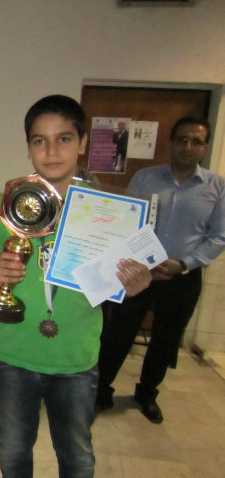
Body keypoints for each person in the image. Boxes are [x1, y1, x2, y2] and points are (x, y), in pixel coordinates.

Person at [0, 95, 152, 477]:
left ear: (83, 142)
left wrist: (132, 284)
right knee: (14, 452)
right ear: (28, 147)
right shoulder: (8, 205)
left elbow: (120, 280)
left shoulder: (106, 213)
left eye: (64, 139)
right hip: (14, 354)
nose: (51, 151)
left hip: (76, 358)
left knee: (77, 457)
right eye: (40, 141)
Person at [96, 116, 225, 424]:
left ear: (205, 147)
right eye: (182, 139)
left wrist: (184, 263)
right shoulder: (145, 178)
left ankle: (146, 394)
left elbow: (219, 236)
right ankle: (101, 391)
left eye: (196, 141)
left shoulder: (217, 187)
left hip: (183, 275)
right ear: (171, 142)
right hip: (138, 272)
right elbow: (126, 222)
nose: (187, 147)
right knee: (118, 334)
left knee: (166, 339)